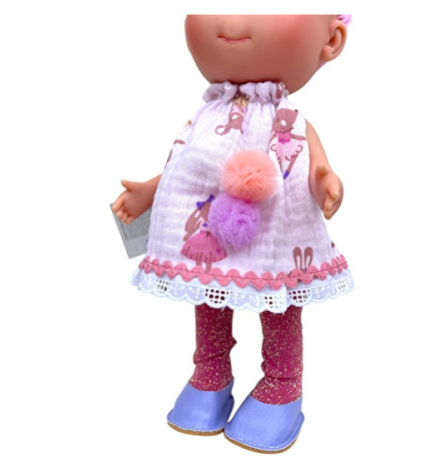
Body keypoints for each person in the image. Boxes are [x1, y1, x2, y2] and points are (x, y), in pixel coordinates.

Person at [112, 14, 353, 453]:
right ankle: (210, 374)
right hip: (211, 225)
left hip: (278, 228)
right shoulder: (207, 115)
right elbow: (189, 166)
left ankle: (282, 385)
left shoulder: (290, 119)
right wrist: (150, 191)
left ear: (331, 39)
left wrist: (324, 181)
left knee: (279, 299)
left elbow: (312, 161)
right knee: (209, 292)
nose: (233, 18)